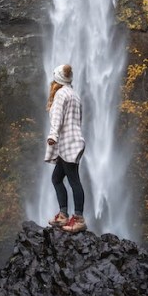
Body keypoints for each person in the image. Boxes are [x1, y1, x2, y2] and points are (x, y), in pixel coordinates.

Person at [44, 63, 87, 234]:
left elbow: (57, 117)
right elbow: (77, 120)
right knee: (56, 178)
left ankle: (79, 219)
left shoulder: (61, 94)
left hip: (68, 142)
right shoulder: (75, 95)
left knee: (74, 180)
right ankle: (63, 214)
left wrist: (53, 136)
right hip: (74, 141)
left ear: (57, 79)